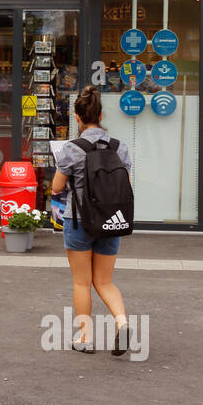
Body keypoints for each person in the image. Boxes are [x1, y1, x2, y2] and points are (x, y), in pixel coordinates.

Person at [48, 86, 133, 356]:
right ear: (102, 114)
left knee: (81, 283)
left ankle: (85, 338)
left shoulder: (72, 149)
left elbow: (56, 187)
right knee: (105, 281)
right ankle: (122, 322)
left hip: (79, 222)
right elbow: (126, 187)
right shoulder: (120, 148)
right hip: (112, 221)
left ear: (77, 117)